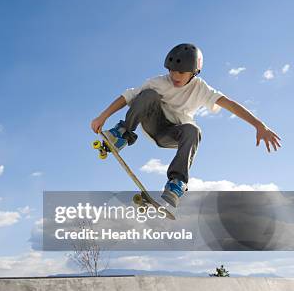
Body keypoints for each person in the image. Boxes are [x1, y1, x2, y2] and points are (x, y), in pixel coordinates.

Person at [90, 43, 281, 208]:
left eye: (181, 72)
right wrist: (103, 116)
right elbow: (128, 96)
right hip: (153, 123)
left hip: (174, 134)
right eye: (171, 70)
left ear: (194, 72)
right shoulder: (158, 82)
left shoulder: (201, 88)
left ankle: (176, 182)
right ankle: (122, 134)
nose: (175, 75)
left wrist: (259, 125)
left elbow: (229, 104)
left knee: (194, 130)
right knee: (148, 95)